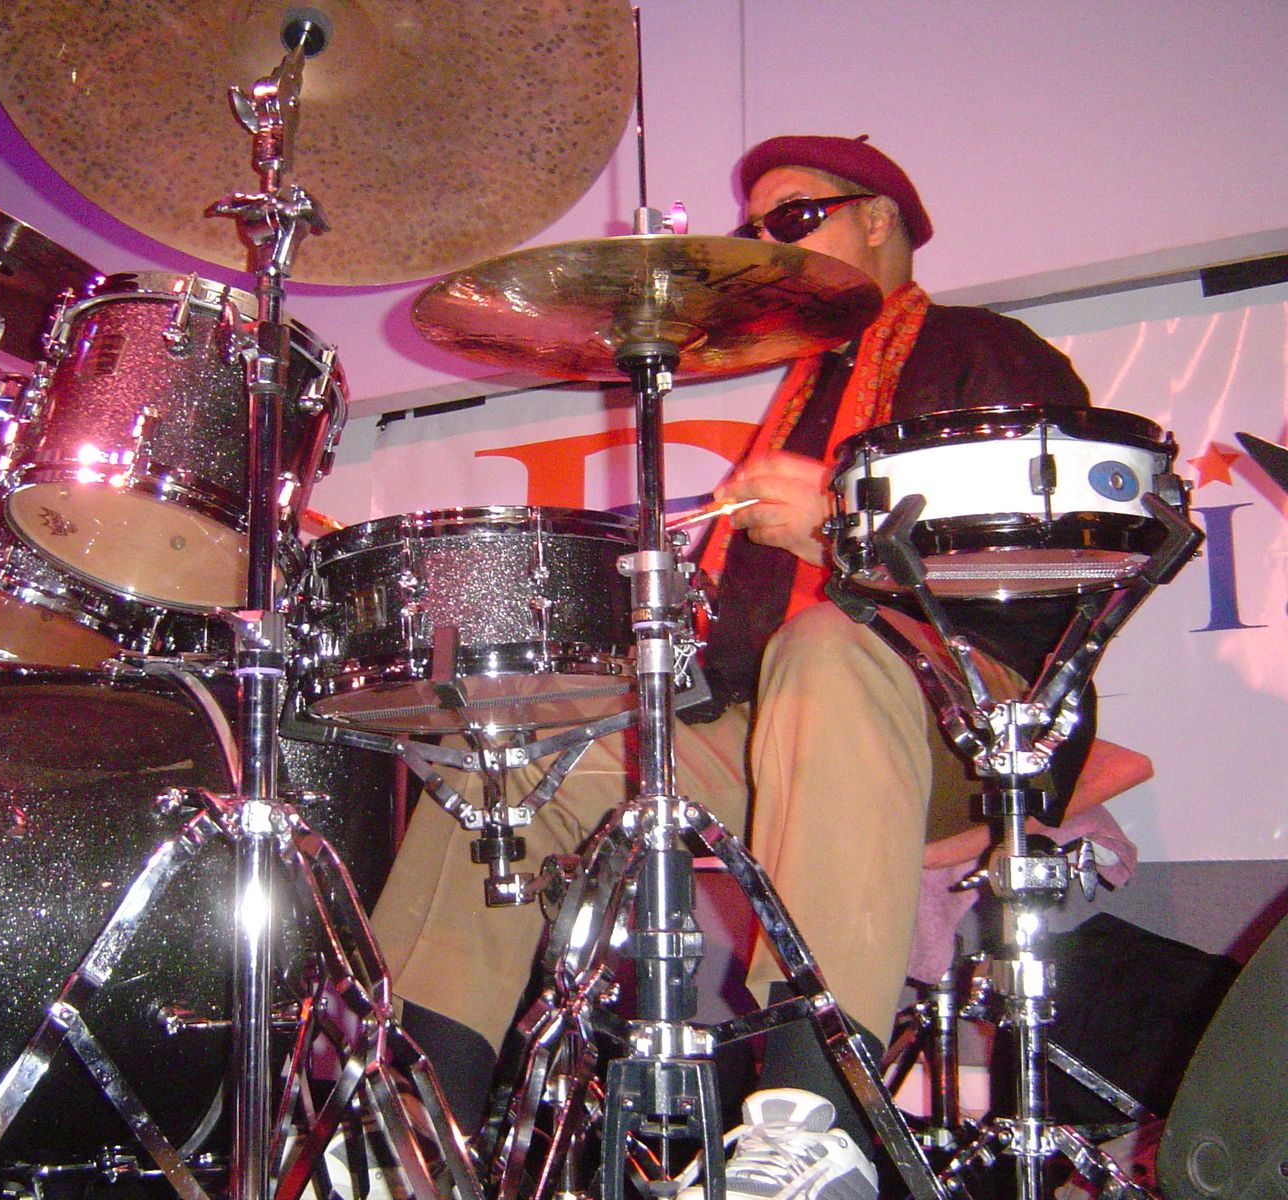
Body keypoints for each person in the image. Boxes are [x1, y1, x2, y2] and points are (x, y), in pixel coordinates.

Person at [369, 134, 1103, 1197]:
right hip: (776, 727)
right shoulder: (807, 386)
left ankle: (815, 1118)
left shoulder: (987, 353)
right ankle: (405, 1130)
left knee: (828, 646)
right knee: (509, 749)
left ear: (879, 219)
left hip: (966, 721)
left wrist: (844, 534)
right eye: (755, 229)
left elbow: (1044, 566)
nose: (766, 243)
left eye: (792, 218)